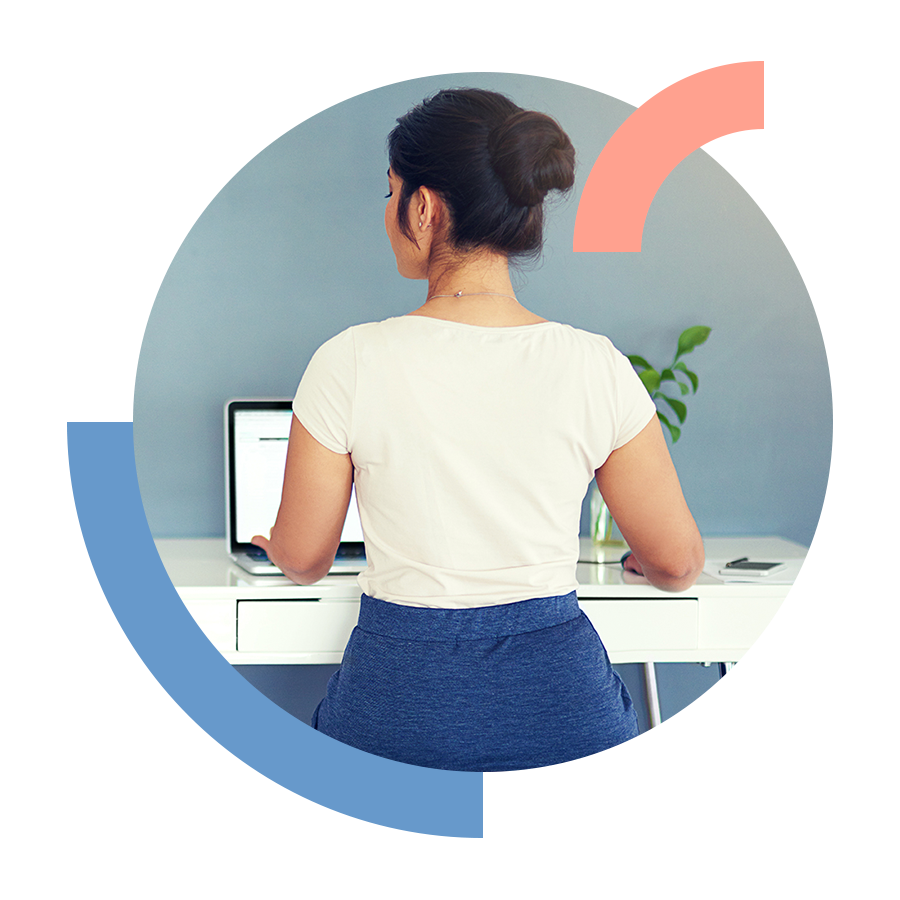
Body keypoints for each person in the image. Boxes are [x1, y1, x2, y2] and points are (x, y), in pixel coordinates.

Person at [251, 88, 704, 772]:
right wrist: (646, 559)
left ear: (425, 208)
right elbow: (676, 562)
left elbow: (305, 556)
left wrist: (277, 545)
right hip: (564, 718)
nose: (387, 211)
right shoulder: (594, 364)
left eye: (391, 191)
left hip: (397, 717)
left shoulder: (348, 359)